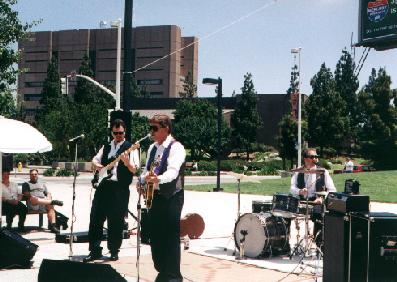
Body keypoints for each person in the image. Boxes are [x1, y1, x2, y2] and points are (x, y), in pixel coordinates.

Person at [138, 114, 186, 282]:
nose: (152, 132)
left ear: (166, 129)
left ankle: (173, 275)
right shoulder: (152, 148)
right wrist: (142, 181)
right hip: (154, 196)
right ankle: (162, 270)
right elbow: (146, 170)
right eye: (150, 128)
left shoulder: (176, 147)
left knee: (170, 236)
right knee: (155, 235)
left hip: (171, 196)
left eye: (155, 128)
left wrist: (158, 179)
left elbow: (173, 172)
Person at [83, 119, 139, 262]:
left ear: (125, 132)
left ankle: (114, 250)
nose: (118, 135)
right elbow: (94, 160)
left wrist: (127, 163)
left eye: (121, 133)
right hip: (103, 187)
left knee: (115, 221)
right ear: (112, 132)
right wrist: (100, 166)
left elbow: (135, 169)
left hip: (119, 188)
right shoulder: (106, 146)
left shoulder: (131, 147)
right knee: (95, 218)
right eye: (115, 133)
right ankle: (94, 250)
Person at [290, 148, 337, 243]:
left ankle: (318, 242)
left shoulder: (323, 172)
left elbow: (333, 190)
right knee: (284, 212)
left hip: (317, 202)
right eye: (312, 157)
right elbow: (292, 188)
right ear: (305, 158)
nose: (315, 158)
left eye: (316, 156)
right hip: (302, 202)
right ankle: (284, 244)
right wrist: (300, 191)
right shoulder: (298, 171)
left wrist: (321, 198)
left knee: (319, 212)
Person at [22, 169, 64, 233]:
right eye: (32, 174)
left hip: (43, 203)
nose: (34, 176)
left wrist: (48, 197)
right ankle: (51, 202)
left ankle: (53, 226)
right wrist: (34, 197)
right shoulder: (26, 184)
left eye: (35, 174)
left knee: (50, 206)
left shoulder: (42, 183)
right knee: (34, 199)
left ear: (38, 175)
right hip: (33, 204)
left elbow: (48, 193)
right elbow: (27, 194)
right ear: (29, 175)